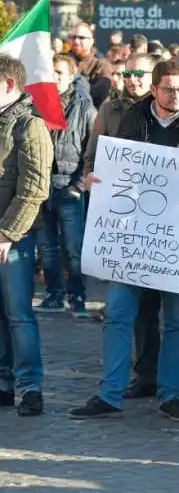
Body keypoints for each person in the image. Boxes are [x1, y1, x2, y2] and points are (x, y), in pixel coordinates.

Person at [69, 61, 179, 422]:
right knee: (117, 316)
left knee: (177, 322)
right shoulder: (130, 121)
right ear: (154, 90)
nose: (176, 96)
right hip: (131, 241)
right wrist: (96, 180)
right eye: (169, 89)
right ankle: (109, 394)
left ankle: (170, 395)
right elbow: (105, 164)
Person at [0, 54, 54, 417]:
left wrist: (6, 234)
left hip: (13, 239)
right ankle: (3, 382)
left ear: (7, 85)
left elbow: (35, 189)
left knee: (19, 315)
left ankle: (30, 386)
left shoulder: (30, 125)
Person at [34, 55, 96, 317]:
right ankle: (54, 294)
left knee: (73, 247)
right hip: (42, 188)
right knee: (47, 247)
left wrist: (79, 185)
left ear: (72, 75)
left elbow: (94, 150)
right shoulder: (37, 105)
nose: (55, 76)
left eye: (60, 72)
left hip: (69, 187)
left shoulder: (85, 108)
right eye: (51, 72)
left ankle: (77, 294)